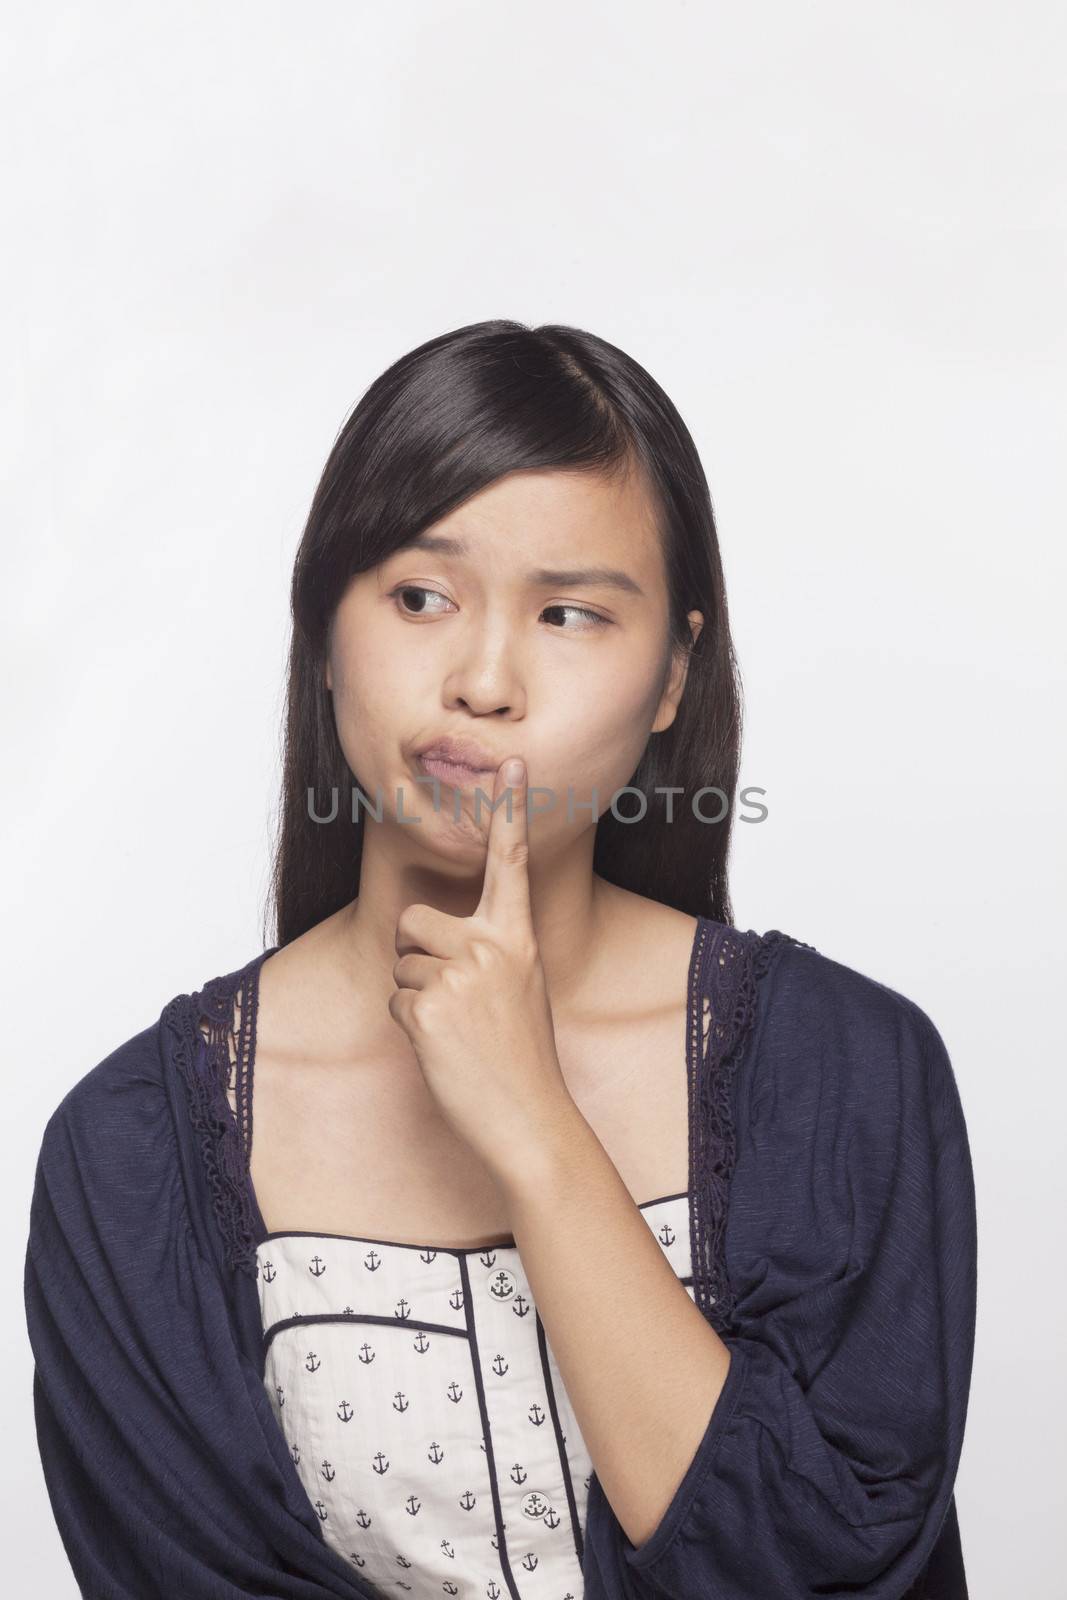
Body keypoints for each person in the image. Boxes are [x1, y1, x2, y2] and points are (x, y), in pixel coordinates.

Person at [24, 319, 977, 1600]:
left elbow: (817, 1569)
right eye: (420, 596)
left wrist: (533, 1126)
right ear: (322, 627)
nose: (482, 678)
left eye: (570, 613)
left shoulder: (848, 1075)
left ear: (671, 678)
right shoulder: (128, 1154)